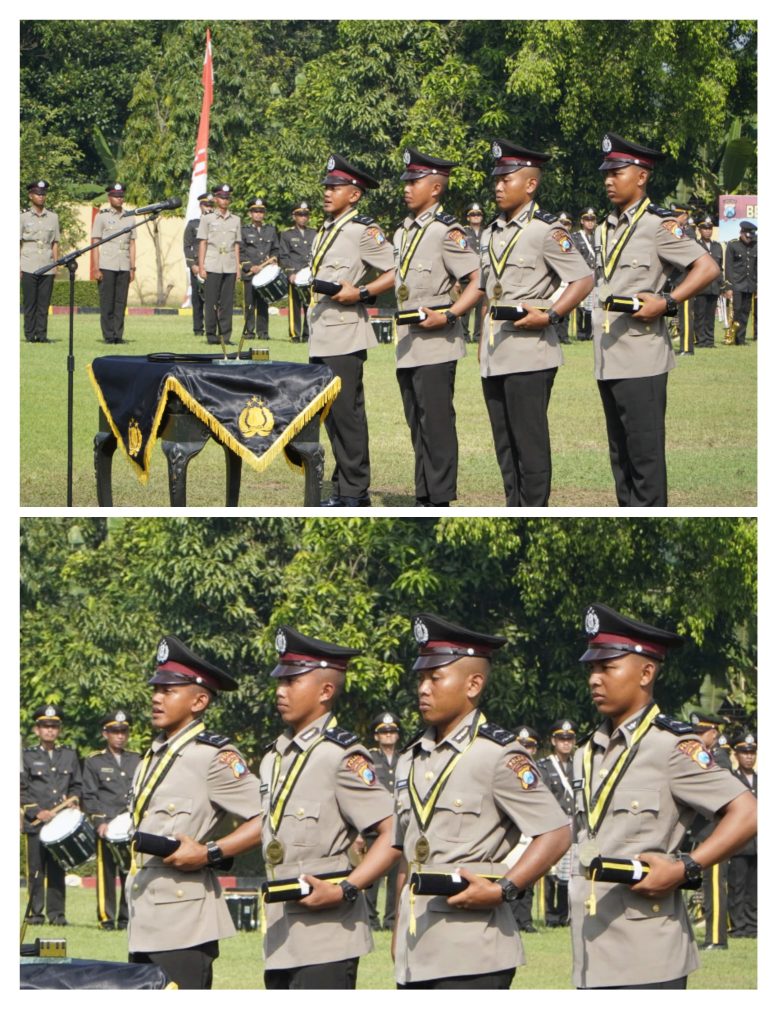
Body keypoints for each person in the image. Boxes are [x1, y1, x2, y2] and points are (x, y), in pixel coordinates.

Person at [570, 603, 757, 989]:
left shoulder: (673, 747)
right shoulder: (587, 751)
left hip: (648, 954)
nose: (594, 679)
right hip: (590, 951)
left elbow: (748, 812)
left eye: (607, 667)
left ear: (647, 672)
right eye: (591, 668)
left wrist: (687, 867)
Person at [392, 613, 570, 988]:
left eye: (435, 678)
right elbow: (409, 854)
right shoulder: (411, 757)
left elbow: (555, 832)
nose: (423, 688)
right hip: (416, 946)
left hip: (473, 950)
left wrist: (505, 887)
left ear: (473, 684)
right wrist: (396, 928)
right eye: (421, 678)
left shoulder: (498, 754)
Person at [260, 626, 398, 989]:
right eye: (280, 681)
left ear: (325, 691)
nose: (280, 690)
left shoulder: (342, 757)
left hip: (327, 938)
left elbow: (392, 833)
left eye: (292, 681)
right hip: (281, 935)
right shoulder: (274, 757)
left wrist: (347, 889)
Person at [127, 636, 262, 990]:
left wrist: (210, 852)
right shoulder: (154, 754)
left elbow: (267, 818)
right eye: (156, 688)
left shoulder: (213, 757)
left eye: (169, 690)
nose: (156, 697)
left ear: (199, 700)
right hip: (145, 916)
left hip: (184, 923)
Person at [593, 133, 719, 506]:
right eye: (606, 173)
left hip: (643, 357)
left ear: (641, 176)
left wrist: (666, 301)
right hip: (608, 357)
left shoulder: (659, 225)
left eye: (617, 172)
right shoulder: (605, 227)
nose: (609, 180)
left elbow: (707, 267)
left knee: (645, 460)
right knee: (621, 460)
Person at [480, 140, 593, 507]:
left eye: (506, 179)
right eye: (496, 179)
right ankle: (513, 507)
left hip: (530, 353)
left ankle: (534, 510)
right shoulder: (490, 232)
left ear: (530, 185)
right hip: (494, 353)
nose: (497, 186)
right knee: (504, 442)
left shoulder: (547, 231)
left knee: (529, 442)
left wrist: (552, 315)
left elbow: (582, 279)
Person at [394, 148, 483, 508]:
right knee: (417, 424)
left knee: (437, 425)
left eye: (414, 182)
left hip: (436, 341)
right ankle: (424, 495)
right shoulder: (403, 232)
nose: (407, 188)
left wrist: (449, 315)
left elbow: (477, 281)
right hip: (407, 342)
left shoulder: (449, 232)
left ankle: (440, 498)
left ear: (434, 189)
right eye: (407, 182)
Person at [309, 154, 395, 508]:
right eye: (327, 186)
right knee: (332, 417)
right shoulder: (326, 230)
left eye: (336, 187)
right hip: (322, 332)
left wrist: (362, 293)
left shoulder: (363, 232)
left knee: (348, 415)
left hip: (345, 335)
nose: (328, 193)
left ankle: (355, 493)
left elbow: (396, 270)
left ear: (355, 195)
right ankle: (343, 486)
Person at [20, 704, 82, 926]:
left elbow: (76, 786)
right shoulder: (25, 756)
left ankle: (57, 915)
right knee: (35, 872)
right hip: (36, 824)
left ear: (59, 729)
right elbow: (20, 789)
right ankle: (35, 914)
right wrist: (37, 811)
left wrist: (73, 801)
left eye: (54, 726)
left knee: (57, 871)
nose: (50, 730)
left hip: (59, 826)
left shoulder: (68, 754)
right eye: (45, 726)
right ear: (37, 730)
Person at [82, 710, 141, 930]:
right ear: (105, 733)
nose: (120, 735)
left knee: (130, 872)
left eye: (124, 731)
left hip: (130, 825)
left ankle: (126, 919)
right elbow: (89, 794)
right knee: (105, 872)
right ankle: (106, 918)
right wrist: (99, 821)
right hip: (107, 825)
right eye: (115, 731)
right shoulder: (94, 761)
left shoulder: (136, 759)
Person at [687, 709, 732, 949]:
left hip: (715, 831)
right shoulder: (705, 755)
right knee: (708, 884)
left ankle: (716, 938)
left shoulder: (719, 759)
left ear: (713, 733)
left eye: (701, 733)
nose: (697, 736)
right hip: (706, 831)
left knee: (714, 884)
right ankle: (713, 937)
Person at [364, 711, 402, 931]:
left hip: (398, 829)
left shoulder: (404, 759)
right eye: (384, 732)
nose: (388, 735)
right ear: (376, 736)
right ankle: (370, 919)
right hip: (375, 828)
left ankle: (391, 920)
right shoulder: (369, 759)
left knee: (396, 878)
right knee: (371, 876)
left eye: (392, 731)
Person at [537, 719, 576, 926]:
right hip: (554, 822)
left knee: (568, 872)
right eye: (562, 739)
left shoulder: (577, 765)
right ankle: (551, 916)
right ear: (553, 740)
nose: (566, 743)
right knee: (551, 870)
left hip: (573, 822)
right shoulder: (545, 766)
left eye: (569, 739)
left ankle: (564, 914)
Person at [91, 182, 136, 344]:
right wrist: (96, 267)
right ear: (109, 197)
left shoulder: (130, 216)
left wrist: (132, 267)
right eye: (116, 196)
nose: (119, 199)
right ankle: (108, 336)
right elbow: (95, 242)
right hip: (107, 265)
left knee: (120, 302)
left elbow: (132, 243)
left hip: (123, 265)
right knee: (107, 302)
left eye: (121, 196)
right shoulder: (102, 216)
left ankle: (118, 335)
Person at [197, 183, 242, 346]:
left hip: (229, 264)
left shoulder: (236, 220)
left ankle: (225, 335)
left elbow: (236, 245)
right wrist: (201, 266)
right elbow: (203, 243)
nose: (225, 201)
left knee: (227, 302)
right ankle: (211, 334)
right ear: (216, 199)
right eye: (222, 198)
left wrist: (238, 268)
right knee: (211, 301)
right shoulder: (207, 219)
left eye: (227, 198)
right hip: (212, 264)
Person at [20, 179, 60, 343]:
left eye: (43, 194)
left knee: (44, 304)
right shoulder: (22, 217)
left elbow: (55, 242)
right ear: (30, 196)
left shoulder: (53, 217)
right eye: (37, 194)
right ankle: (30, 335)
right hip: (28, 263)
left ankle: (41, 335)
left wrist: (56, 264)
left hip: (47, 263)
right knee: (30, 303)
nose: (41, 197)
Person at [728, 731, 757, 938]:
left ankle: (753, 925)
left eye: (752, 753)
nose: (749, 756)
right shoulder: (732, 778)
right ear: (737, 755)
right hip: (740, 843)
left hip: (758, 843)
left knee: (755, 887)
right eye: (744, 753)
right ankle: (738, 927)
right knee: (737, 886)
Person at [239, 196, 280, 341]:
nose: (258, 214)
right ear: (250, 214)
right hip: (250, 273)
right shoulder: (243, 230)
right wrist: (250, 266)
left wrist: (274, 259)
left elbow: (276, 249)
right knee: (249, 305)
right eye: (255, 211)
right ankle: (249, 332)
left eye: (261, 212)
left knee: (263, 305)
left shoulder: (271, 230)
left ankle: (263, 333)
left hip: (264, 275)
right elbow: (240, 252)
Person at [280, 200, 317, 342]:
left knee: (310, 305)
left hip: (310, 274)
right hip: (295, 274)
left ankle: (308, 334)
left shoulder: (314, 233)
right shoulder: (287, 234)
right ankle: (294, 334)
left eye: (306, 215)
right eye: (300, 215)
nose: (303, 217)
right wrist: (290, 272)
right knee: (294, 305)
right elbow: (283, 255)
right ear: (294, 216)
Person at [667, 202, 697, 357]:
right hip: (676, 279)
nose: (675, 218)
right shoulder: (674, 230)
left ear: (685, 216)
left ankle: (686, 348)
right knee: (678, 315)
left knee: (685, 314)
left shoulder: (688, 232)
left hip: (686, 279)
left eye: (678, 216)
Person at [183, 191, 214, 337]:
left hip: (213, 265)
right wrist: (192, 265)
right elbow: (186, 246)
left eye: (210, 205)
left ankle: (211, 328)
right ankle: (197, 329)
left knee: (213, 299)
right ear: (200, 206)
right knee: (197, 299)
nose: (208, 207)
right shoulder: (193, 224)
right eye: (205, 204)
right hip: (196, 265)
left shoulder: (217, 223)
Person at [724, 221, 757, 346]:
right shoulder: (733, 245)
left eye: (751, 236)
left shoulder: (756, 245)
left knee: (745, 312)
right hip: (737, 284)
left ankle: (741, 339)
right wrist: (729, 286)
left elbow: (756, 268)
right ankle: (732, 337)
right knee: (736, 311)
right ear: (741, 233)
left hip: (750, 285)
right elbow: (729, 267)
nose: (749, 239)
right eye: (747, 235)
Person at [693, 216, 724, 348]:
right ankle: (701, 340)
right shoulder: (695, 246)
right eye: (705, 229)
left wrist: (722, 285)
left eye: (710, 228)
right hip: (701, 286)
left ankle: (710, 340)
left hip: (714, 286)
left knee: (711, 315)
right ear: (699, 230)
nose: (708, 231)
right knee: (700, 315)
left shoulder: (717, 246)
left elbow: (719, 267)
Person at [461, 202, 486, 345]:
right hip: (467, 276)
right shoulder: (463, 233)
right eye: (472, 214)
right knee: (465, 307)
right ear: (468, 217)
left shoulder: (487, 232)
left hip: (483, 276)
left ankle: (478, 335)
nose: (476, 217)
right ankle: (464, 335)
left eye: (478, 214)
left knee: (481, 308)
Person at [571, 207, 597, 339]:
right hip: (583, 273)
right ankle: (581, 333)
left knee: (594, 304)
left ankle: (591, 331)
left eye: (592, 219)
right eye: (587, 219)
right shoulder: (576, 237)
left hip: (596, 274)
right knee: (581, 304)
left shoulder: (598, 236)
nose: (590, 222)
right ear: (582, 221)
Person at [553, 212, 575, 344]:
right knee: (555, 306)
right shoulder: (551, 238)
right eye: (561, 223)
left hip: (569, 277)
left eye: (567, 223)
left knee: (567, 307)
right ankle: (555, 333)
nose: (564, 226)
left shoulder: (574, 239)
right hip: (557, 277)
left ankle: (564, 335)